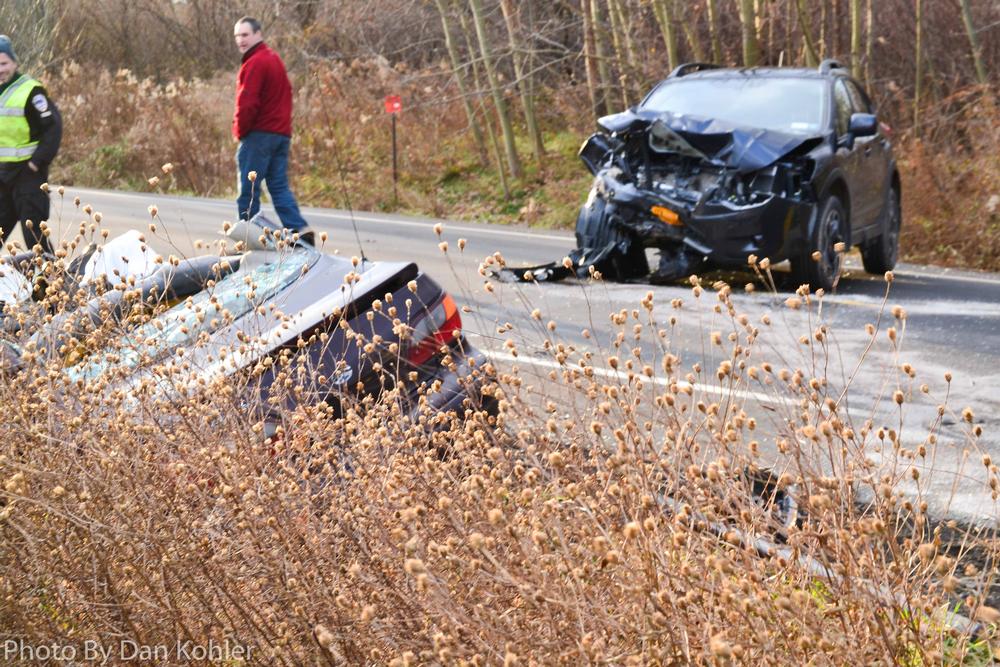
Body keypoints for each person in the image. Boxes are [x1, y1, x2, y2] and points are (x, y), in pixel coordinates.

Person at [232, 16, 314, 245]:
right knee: (278, 185)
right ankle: (299, 229)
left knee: (248, 189)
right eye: (237, 36)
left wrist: (240, 131)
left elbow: (247, 103)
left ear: (258, 34)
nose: (241, 40)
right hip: (281, 134)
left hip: (259, 135)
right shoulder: (274, 59)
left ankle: (249, 240)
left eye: (245, 35)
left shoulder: (255, 62)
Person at [0, 35, 60, 255]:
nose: (0, 69)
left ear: (15, 63)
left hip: (28, 175)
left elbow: (53, 128)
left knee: (34, 236)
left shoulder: (30, 91)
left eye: (4, 63)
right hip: (3, 175)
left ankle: (52, 276)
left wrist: (36, 162)